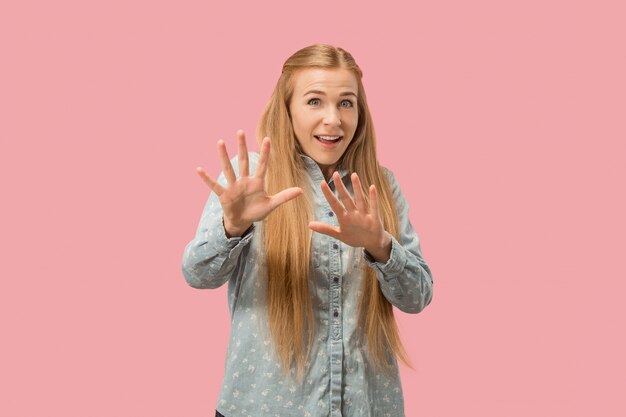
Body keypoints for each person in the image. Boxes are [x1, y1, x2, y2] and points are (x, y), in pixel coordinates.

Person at [182, 44, 433, 417]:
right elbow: (197, 274)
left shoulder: (381, 186)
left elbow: (417, 296)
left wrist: (381, 246)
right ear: (287, 110)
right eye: (314, 101)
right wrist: (232, 226)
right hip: (262, 405)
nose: (333, 119)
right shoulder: (252, 177)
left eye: (346, 103)